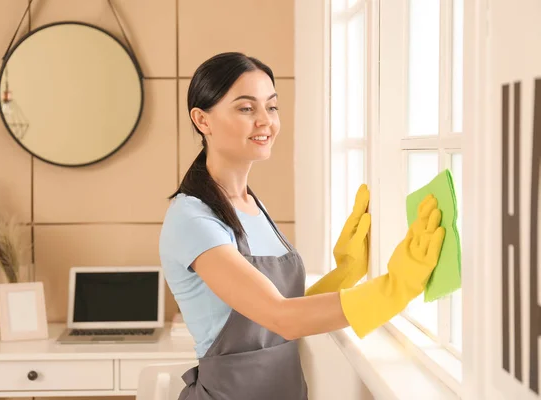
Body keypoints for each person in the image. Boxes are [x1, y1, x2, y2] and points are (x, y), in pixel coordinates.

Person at [159, 52, 445, 400]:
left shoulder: (252, 205)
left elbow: (272, 314)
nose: (265, 121)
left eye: (272, 107)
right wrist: (397, 286)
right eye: (246, 108)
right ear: (203, 120)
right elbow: (280, 318)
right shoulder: (193, 219)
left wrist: (346, 273)